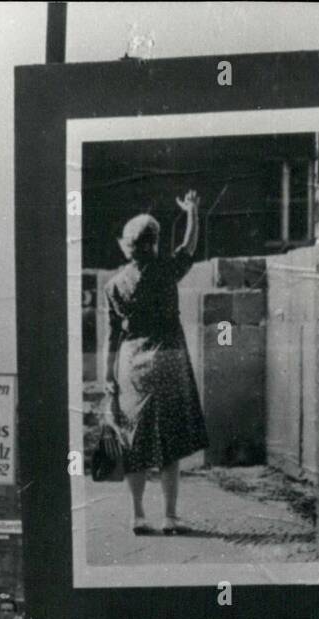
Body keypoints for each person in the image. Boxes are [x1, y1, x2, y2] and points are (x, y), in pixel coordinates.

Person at [103, 192, 208, 537]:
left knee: (134, 442)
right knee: (170, 442)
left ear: (127, 246)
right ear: (155, 243)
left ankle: (137, 516)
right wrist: (191, 210)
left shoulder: (113, 285)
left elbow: (111, 336)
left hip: (132, 366)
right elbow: (190, 246)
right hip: (169, 361)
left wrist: (108, 378)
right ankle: (171, 517)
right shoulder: (166, 271)